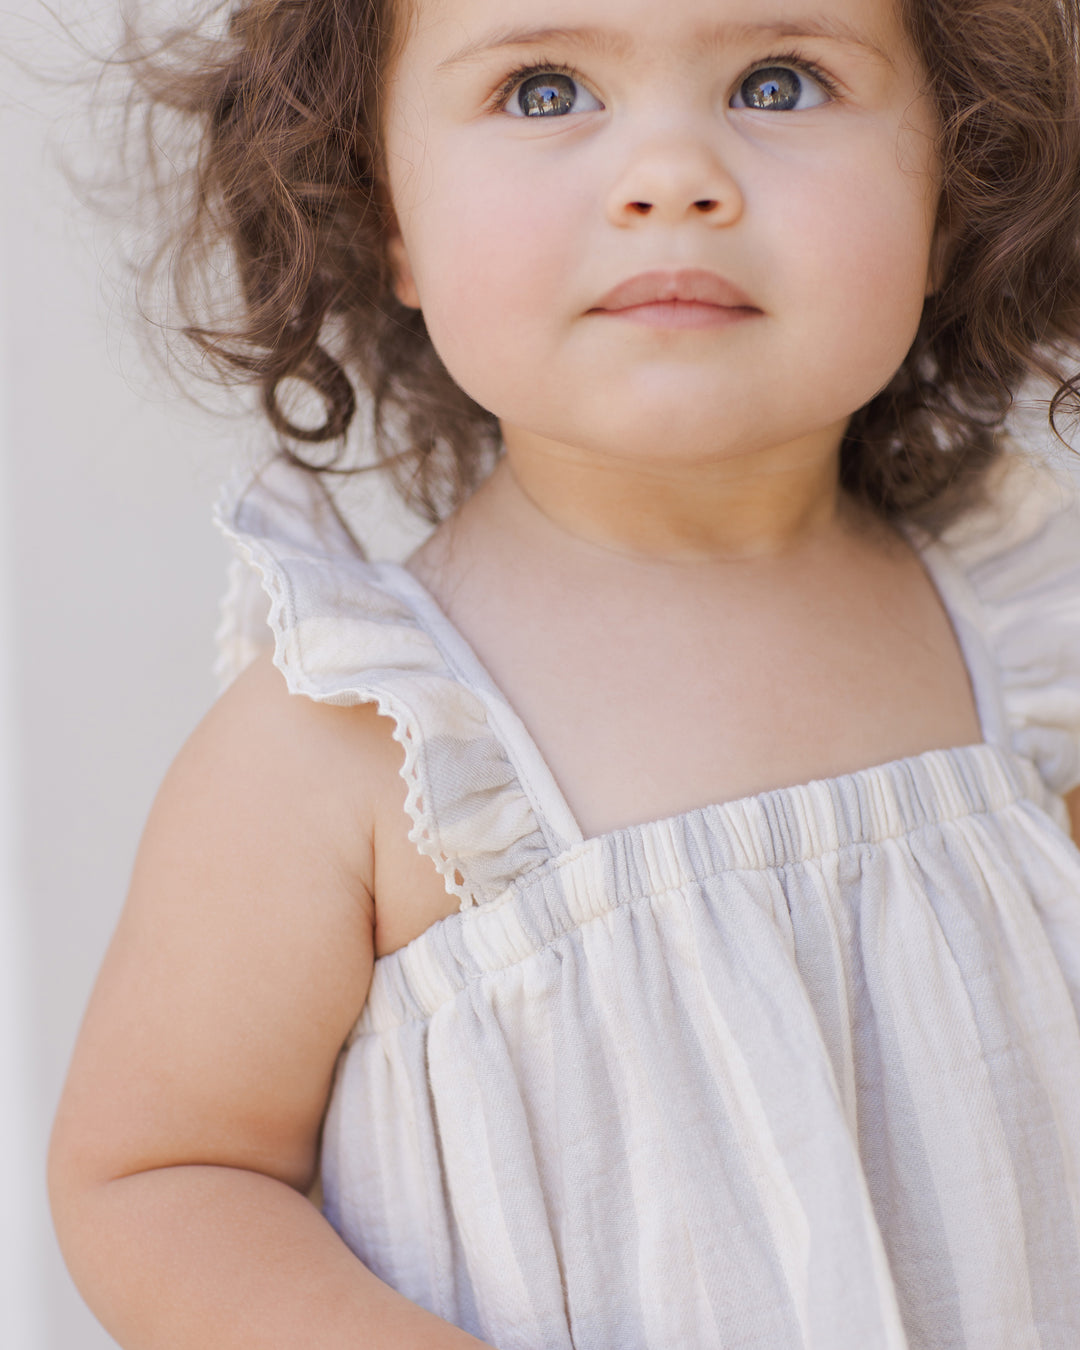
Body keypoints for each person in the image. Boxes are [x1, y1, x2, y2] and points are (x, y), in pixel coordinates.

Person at [47, 0, 1080, 1344]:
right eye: (545, 90)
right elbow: (159, 1174)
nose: (672, 177)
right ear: (389, 213)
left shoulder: (1029, 648)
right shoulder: (370, 736)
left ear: (958, 178)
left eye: (779, 83)